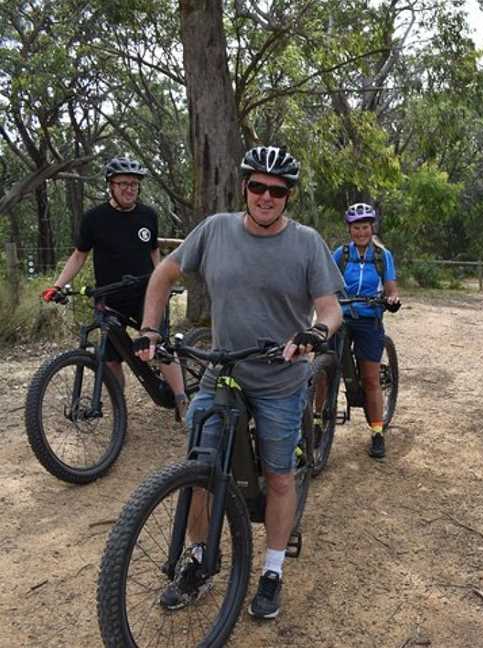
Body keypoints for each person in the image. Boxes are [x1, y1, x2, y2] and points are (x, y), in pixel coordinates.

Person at [135, 145, 344, 619]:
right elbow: (164, 274)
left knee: (278, 475)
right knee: (199, 473)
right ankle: (200, 560)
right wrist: (151, 330)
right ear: (244, 187)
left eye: (277, 190)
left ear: (288, 197)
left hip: (279, 378)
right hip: (222, 371)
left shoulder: (307, 242)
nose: (266, 197)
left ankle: (272, 570)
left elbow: (330, 308)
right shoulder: (215, 230)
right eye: (257, 187)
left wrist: (314, 331)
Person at [41, 156, 186, 415]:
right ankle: (120, 414)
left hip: (145, 294)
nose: (129, 189)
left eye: (134, 184)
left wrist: (162, 284)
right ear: (111, 185)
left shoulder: (148, 215)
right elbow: (79, 256)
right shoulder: (94, 218)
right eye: (123, 184)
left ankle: (182, 401)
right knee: (110, 359)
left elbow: (155, 255)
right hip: (109, 297)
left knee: (159, 345)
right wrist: (58, 285)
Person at [330, 202, 400, 458]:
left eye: (365, 227)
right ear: (349, 230)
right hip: (340, 316)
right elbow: (324, 279)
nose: (361, 232)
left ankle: (377, 430)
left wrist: (391, 299)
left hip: (369, 317)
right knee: (324, 371)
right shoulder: (341, 254)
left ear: (372, 228)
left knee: (370, 378)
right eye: (356, 228)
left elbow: (391, 288)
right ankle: (316, 420)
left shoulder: (383, 256)